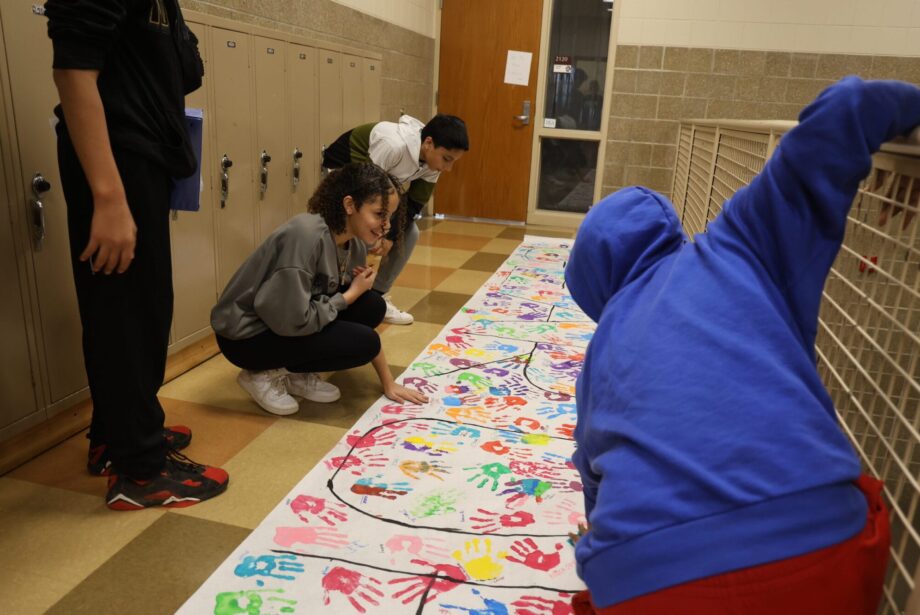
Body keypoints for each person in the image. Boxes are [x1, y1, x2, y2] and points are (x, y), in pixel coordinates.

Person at [565, 77, 920, 614]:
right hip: (821, 542)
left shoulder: (600, 355)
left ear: (596, 290)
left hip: (656, 580)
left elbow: (594, 479)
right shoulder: (741, 244)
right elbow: (848, 107)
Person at [45, 0, 229, 510]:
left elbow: (181, 70)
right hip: (116, 163)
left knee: (137, 311)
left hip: (142, 158)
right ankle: (140, 472)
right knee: (126, 315)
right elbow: (73, 69)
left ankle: (117, 436)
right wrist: (108, 197)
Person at [211, 163, 430, 415]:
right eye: (379, 214)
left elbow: (325, 304)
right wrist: (349, 295)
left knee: (372, 306)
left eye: (389, 217)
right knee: (363, 335)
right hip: (246, 337)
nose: (386, 226)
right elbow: (292, 320)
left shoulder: (353, 243)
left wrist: (389, 383)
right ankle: (262, 374)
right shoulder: (306, 236)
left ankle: (294, 371)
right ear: (350, 205)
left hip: (286, 322)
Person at [322, 114, 470, 325]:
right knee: (361, 230)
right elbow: (365, 191)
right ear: (428, 143)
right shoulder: (393, 145)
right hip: (344, 174)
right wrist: (378, 233)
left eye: (453, 162)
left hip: (375, 187)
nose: (448, 168)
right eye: (446, 159)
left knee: (410, 233)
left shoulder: (431, 163)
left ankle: (378, 297)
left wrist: (390, 236)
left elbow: (413, 205)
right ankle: (346, 295)